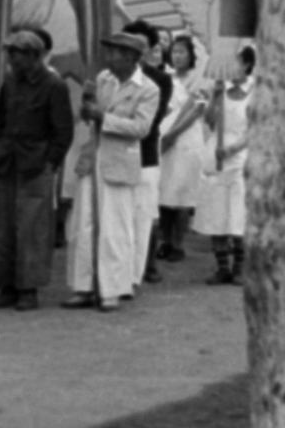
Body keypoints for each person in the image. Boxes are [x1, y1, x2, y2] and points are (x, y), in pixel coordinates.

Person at [64, 30, 160, 312]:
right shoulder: (103, 79)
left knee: (114, 229)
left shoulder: (148, 88)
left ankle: (112, 289)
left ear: (130, 57)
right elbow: (88, 117)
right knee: (84, 224)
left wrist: (104, 117)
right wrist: (87, 106)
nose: (108, 57)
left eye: (114, 52)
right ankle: (83, 286)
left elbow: (141, 129)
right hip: (92, 157)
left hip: (119, 162)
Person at [0, 28, 74, 312]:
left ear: (34, 56)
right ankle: (7, 285)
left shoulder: (54, 85)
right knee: (1, 227)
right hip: (6, 164)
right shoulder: (10, 82)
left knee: (32, 230)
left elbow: (63, 132)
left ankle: (28, 289)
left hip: (35, 167)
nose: (11, 59)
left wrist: (49, 163)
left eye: (17, 53)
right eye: (9, 53)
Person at [195, 46, 255, 283]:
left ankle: (240, 266)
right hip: (215, 154)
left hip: (241, 156)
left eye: (237, 62)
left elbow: (256, 128)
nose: (231, 68)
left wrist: (232, 149)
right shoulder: (219, 89)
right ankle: (222, 267)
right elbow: (208, 121)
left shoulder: (256, 91)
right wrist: (214, 98)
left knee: (238, 213)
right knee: (216, 212)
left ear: (247, 65)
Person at [120, 18, 172, 287]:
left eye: (141, 46)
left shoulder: (160, 80)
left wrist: (113, 119)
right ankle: (120, 274)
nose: (133, 51)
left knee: (143, 218)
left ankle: (138, 273)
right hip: (115, 156)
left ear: (150, 49)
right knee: (118, 220)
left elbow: (151, 122)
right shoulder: (110, 75)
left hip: (145, 156)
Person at [156, 34, 208, 262]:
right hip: (163, 140)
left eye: (182, 52)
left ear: (192, 55)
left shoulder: (199, 79)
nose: (177, 56)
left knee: (182, 195)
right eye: (174, 51)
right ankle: (165, 240)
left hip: (186, 139)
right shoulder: (164, 77)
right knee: (164, 193)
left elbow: (196, 110)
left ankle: (178, 243)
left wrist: (173, 134)